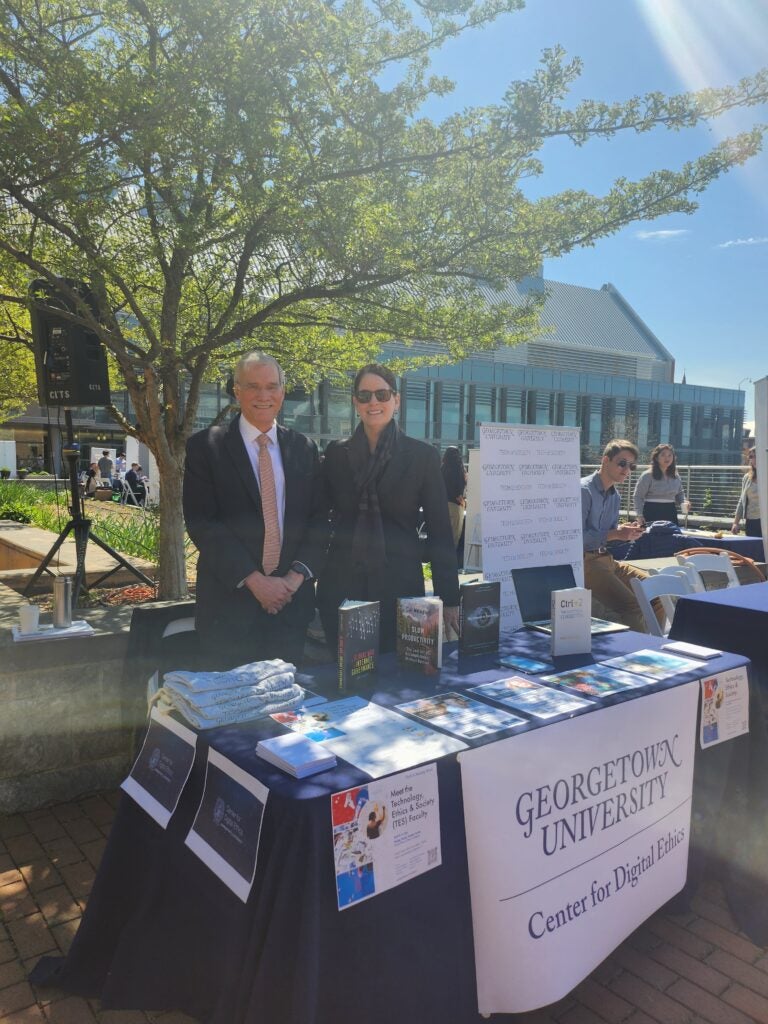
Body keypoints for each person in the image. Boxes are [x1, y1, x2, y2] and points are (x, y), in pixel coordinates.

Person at [183, 352, 328, 669]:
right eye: (253, 386)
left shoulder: (304, 449)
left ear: (283, 391)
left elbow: (319, 521)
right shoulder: (205, 447)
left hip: (290, 610)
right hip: (228, 613)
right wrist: (255, 581)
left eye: (272, 386)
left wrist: (292, 579)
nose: (264, 396)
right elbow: (203, 523)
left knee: (286, 712)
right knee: (230, 713)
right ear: (236, 390)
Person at [317, 363, 460, 654]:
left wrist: (450, 597)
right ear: (355, 402)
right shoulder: (336, 454)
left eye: (382, 394)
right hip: (342, 585)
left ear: (396, 400)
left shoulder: (422, 456)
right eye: (365, 395)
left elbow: (440, 532)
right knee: (344, 680)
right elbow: (319, 519)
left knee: (399, 678)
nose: (373, 402)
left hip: (401, 587)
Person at [581, 439, 657, 633]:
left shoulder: (615, 496)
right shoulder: (583, 491)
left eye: (631, 466)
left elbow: (610, 533)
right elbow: (575, 538)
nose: (626, 470)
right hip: (585, 562)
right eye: (622, 463)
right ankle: (638, 653)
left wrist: (626, 531)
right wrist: (616, 533)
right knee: (633, 605)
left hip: (606, 559)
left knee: (657, 593)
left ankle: (654, 642)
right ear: (606, 460)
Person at [633, 443, 688, 526]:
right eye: (663, 455)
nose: (667, 458)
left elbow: (680, 494)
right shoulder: (647, 475)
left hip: (670, 512)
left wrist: (684, 502)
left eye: (670, 455)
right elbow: (638, 496)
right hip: (651, 511)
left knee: (670, 538)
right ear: (656, 457)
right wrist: (639, 515)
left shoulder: (676, 476)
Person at [441, 446, 467, 549]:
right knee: (454, 537)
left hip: (442, 506)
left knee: (443, 536)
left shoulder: (442, 469)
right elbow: (458, 490)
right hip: (455, 506)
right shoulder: (459, 469)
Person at [732, 447, 761, 537]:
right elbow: (741, 501)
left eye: (757, 456)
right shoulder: (746, 478)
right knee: (752, 549)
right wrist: (735, 523)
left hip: (765, 520)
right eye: (751, 456)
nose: (754, 459)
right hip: (751, 521)